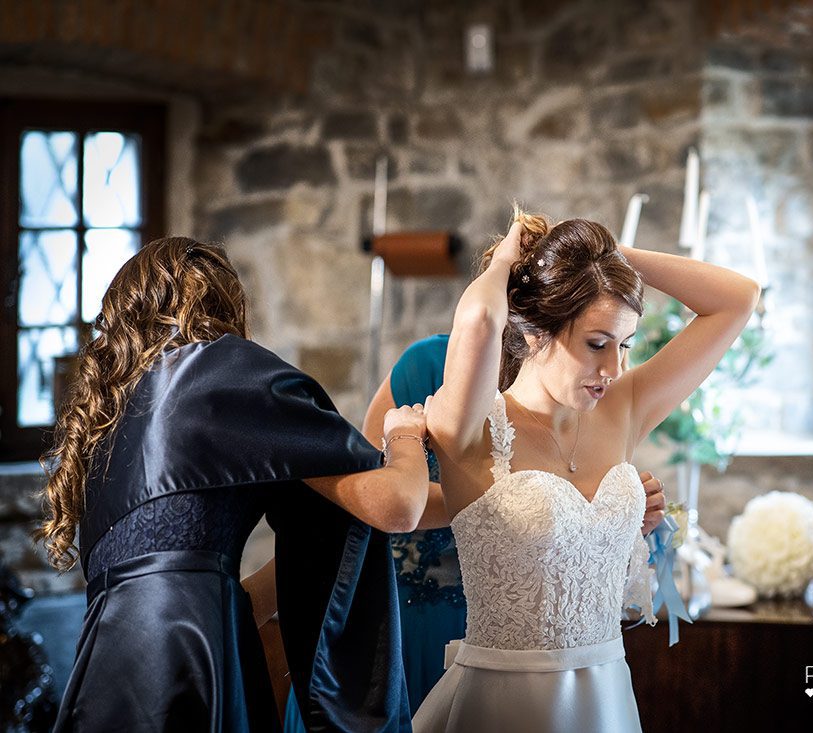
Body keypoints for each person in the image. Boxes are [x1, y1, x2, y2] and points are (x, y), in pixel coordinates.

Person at [39, 237, 430, 731]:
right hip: (189, 648)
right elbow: (399, 505)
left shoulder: (103, 425)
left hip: (105, 660)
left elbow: (190, 570)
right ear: (220, 300)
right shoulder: (218, 370)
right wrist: (404, 434)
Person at [414, 209, 759, 731]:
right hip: (504, 702)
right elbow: (481, 320)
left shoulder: (623, 408)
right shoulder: (470, 427)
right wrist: (508, 262)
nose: (614, 369)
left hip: (607, 698)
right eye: (597, 344)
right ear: (535, 333)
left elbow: (737, 299)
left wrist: (608, 257)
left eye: (625, 345)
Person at [282, 333, 669, 727]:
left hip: (522, 628)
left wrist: (604, 515)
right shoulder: (431, 363)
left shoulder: (587, 376)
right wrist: (514, 505)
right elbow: (372, 493)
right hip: (413, 611)